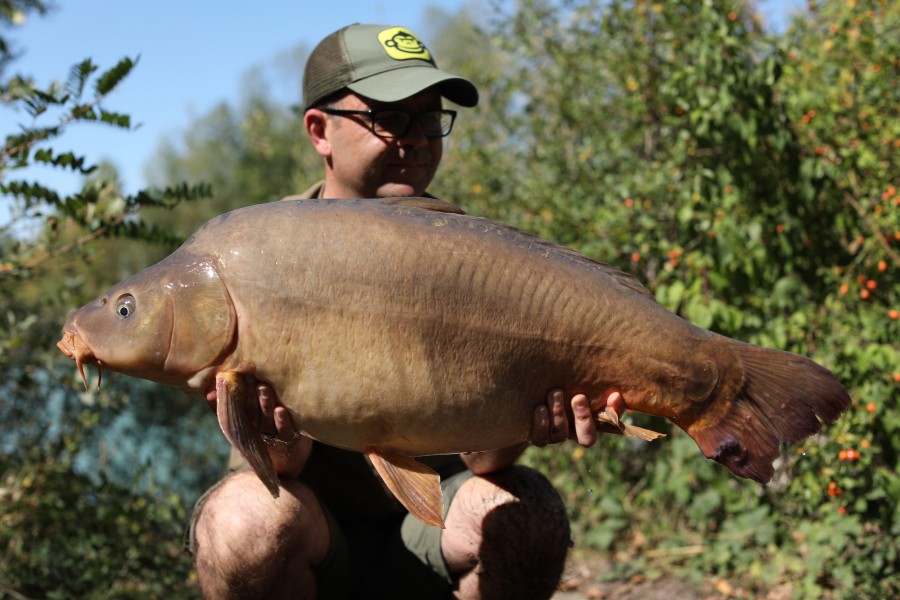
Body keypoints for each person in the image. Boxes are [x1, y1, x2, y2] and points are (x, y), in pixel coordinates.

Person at [188, 23, 624, 599]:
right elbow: (282, 471)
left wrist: (528, 418)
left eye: (429, 119)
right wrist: (273, 432)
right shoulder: (260, 257)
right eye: (391, 118)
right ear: (320, 131)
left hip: (436, 525)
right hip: (316, 535)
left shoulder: (477, 256)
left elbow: (482, 458)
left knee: (526, 509)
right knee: (240, 524)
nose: (416, 139)